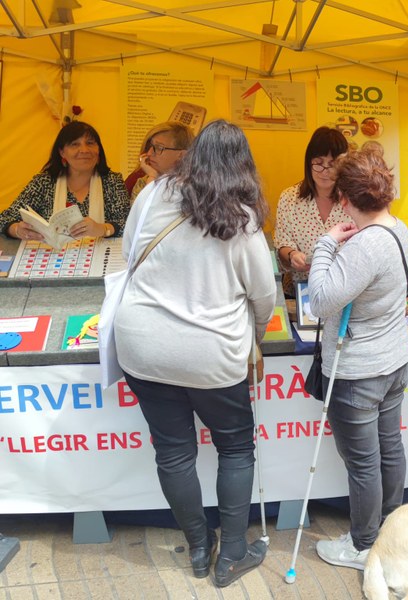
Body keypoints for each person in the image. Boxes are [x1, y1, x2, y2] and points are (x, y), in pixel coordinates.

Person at [114, 120, 277, 588]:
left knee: (173, 452)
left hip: (143, 346)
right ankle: (232, 555)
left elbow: (129, 254)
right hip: (212, 355)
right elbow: (262, 296)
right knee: (234, 448)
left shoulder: (152, 194)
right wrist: (255, 333)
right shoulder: (242, 216)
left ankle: (199, 545)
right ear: (243, 164)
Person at [309, 149, 408, 571]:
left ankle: (363, 545)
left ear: (347, 200)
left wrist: (325, 244)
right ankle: (389, 529)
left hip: (359, 370)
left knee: (364, 462)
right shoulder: (399, 229)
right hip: (392, 359)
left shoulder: (364, 246)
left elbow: (319, 300)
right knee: (389, 448)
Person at [0, 121, 129, 241]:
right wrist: (17, 230)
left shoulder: (112, 181)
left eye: (90, 143)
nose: (84, 150)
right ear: (62, 152)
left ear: (98, 149)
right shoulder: (44, 182)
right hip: (51, 259)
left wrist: (103, 229)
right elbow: (5, 218)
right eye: (75, 144)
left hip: (100, 260)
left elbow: (128, 224)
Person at [273, 126, 353, 294]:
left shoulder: (354, 200)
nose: (325, 172)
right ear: (309, 162)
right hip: (301, 293)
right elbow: (282, 243)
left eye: (332, 165)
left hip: (344, 293)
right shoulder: (290, 198)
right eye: (318, 163)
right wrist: (292, 255)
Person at [130, 121, 194, 202]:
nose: (149, 153)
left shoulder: (194, 185)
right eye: (150, 147)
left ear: (181, 155)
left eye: (159, 148)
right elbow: (142, 213)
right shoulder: (142, 182)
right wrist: (152, 178)